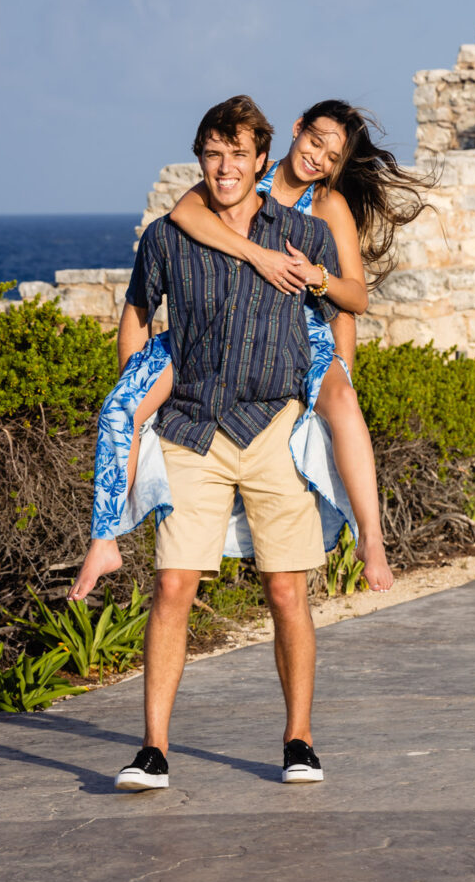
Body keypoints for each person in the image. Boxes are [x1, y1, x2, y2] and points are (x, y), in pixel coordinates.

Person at [68, 100, 428, 602]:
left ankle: (372, 537)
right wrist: (259, 256)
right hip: (212, 328)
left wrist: (315, 280)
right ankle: (104, 539)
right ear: (297, 129)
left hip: (298, 331)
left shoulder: (327, 207)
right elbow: (182, 214)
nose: (318, 157)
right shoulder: (239, 175)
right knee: (122, 405)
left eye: (332, 155)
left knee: (344, 402)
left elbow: (355, 297)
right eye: (314, 140)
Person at [110, 96, 341, 791]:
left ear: (262, 160)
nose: (225, 166)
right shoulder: (166, 237)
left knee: (286, 590)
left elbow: (335, 322)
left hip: (273, 425)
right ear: (200, 157)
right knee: (174, 584)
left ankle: (298, 740)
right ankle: (153, 749)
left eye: (239, 154)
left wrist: (333, 402)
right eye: (213, 153)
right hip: (190, 427)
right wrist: (133, 400)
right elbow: (135, 313)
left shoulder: (304, 235)